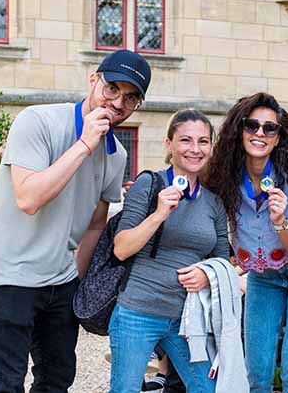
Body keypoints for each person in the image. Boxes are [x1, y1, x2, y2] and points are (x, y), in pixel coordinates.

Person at [0, 49, 149, 393]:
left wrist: (78, 281)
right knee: (6, 384)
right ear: (93, 80)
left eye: (131, 98)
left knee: (56, 381)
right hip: (9, 275)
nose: (117, 103)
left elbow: (98, 222)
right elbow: (28, 198)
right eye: (112, 88)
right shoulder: (37, 121)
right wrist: (85, 143)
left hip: (61, 281)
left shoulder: (117, 154)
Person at [206, 93, 288, 393]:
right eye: (252, 126)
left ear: (278, 137)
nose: (259, 133)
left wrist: (280, 221)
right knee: (257, 375)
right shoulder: (224, 174)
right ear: (239, 130)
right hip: (263, 277)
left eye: (269, 128)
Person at [108, 109, 230, 393]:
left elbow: (223, 260)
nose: (195, 149)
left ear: (211, 147)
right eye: (186, 140)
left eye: (203, 141)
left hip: (188, 319)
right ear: (169, 145)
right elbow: (121, 248)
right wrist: (159, 214)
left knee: (208, 389)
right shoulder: (149, 185)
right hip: (138, 312)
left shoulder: (214, 202)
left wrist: (206, 274)